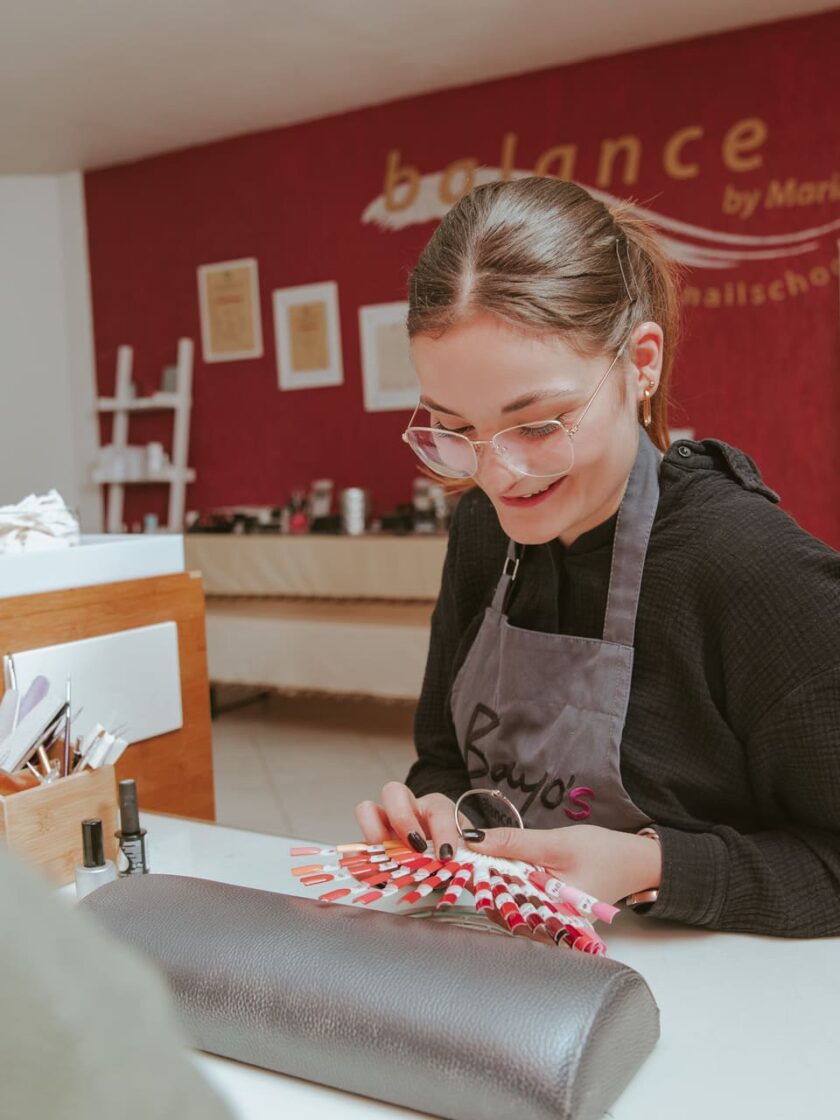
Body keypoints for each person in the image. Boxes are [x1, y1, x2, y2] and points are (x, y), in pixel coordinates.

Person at [356, 176, 840, 936]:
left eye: (540, 425)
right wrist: (436, 815)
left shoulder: (756, 573)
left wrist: (655, 866)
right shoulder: (485, 530)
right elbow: (444, 758)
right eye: (456, 430)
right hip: (521, 989)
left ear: (641, 363)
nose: (499, 474)